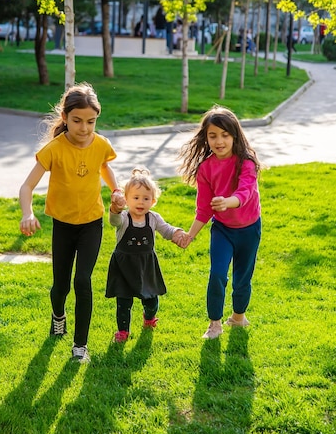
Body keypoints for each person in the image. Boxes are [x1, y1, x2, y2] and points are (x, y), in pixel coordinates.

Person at [19, 82, 125, 363]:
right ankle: (58, 315)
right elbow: (27, 187)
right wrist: (27, 213)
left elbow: (104, 165)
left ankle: (80, 346)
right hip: (63, 226)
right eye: (77, 121)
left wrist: (116, 191)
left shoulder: (100, 144)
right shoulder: (55, 148)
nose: (85, 128)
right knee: (61, 285)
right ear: (65, 118)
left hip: (92, 223)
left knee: (83, 280)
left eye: (91, 121)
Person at [178, 106, 262, 339]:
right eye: (213, 135)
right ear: (206, 138)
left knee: (242, 278)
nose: (219, 141)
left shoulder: (246, 163)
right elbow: (204, 209)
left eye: (225, 135)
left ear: (235, 136)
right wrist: (190, 235)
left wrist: (228, 202)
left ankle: (238, 317)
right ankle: (214, 324)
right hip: (223, 229)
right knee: (217, 274)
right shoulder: (205, 169)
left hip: (249, 228)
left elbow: (245, 192)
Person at [105, 168, 186, 343]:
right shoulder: (124, 218)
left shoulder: (153, 218)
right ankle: (123, 331)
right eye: (135, 198)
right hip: (123, 266)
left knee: (151, 299)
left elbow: (166, 230)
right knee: (123, 301)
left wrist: (177, 233)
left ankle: (149, 317)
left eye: (146, 198)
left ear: (153, 201)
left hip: (146, 265)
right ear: (126, 199)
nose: (140, 202)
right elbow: (114, 221)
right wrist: (115, 208)